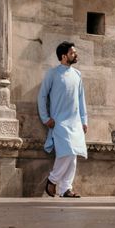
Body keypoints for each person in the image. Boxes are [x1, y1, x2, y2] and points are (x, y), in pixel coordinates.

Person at [38, 41, 88, 198]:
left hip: (75, 122)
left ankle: (65, 189)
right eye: (73, 53)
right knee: (66, 153)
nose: (75, 54)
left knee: (73, 155)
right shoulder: (52, 74)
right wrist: (45, 118)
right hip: (59, 122)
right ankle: (52, 181)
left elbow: (81, 99)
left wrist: (84, 120)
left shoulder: (77, 74)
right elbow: (42, 96)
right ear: (63, 56)